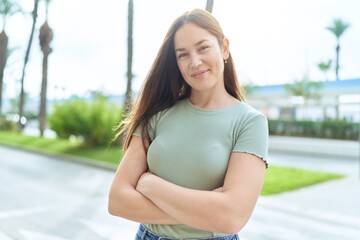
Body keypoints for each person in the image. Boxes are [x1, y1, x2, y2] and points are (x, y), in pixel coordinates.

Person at [108, 8, 268, 240]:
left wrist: (150, 186)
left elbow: (232, 217)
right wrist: (206, 211)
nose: (194, 62)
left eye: (203, 48)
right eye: (182, 54)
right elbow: (118, 201)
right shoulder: (156, 115)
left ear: (224, 48)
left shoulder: (250, 122)